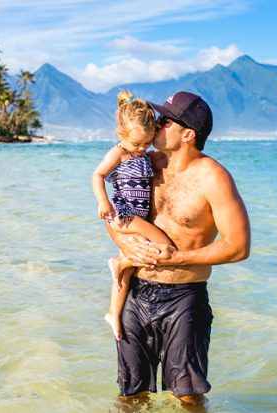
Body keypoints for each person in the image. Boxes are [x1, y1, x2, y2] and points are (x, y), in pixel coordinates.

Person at [109, 91, 251, 406]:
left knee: (188, 397)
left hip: (184, 300)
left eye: (164, 121)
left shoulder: (214, 178)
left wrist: (178, 258)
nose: (155, 125)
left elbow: (239, 247)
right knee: (130, 395)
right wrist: (125, 245)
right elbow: (113, 212)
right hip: (136, 294)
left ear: (188, 134)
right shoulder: (143, 164)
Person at [92, 90, 173, 341]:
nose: (140, 149)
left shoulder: (144, 156)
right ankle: (120, 262)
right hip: (124, 215)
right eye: (136, 143)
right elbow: (98, 175)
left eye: (146, 144)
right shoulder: (118, 152)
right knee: (164, 246)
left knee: (129, 270)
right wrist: (103, 200)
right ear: (121, 134)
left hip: (138, 217)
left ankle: (113, 314)